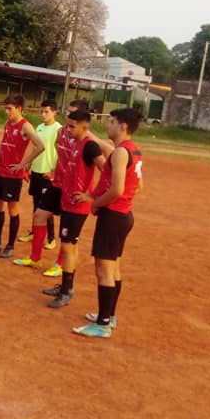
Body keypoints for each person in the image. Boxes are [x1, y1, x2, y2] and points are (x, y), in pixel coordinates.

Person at [73, 108, 144, 338]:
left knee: (103, 269)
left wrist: (95, 203)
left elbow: (117, 190)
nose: (109, 125)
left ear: (123, 126)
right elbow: (138, 187)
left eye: (112, 122)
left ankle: (103, 324)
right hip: (124, 215)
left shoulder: (122, 153)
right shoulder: (133, 151)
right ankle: (109, 316)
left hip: (113, 216)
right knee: (113, 268)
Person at [41, 109, 105, 308]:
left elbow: (107, 171)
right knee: (69, 246)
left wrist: (91, 195)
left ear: (84, 127)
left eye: (71, 126)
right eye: (67, 125)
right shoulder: (77, 143)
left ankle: (67, 291)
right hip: (67, 202)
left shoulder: (90, 146)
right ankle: (65, 286)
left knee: (68, 246)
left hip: (78, 206)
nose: (67, 129)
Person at [0, 95, 43, 258]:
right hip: (1, 172)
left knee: (12, 207)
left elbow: (40, 146)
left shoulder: (25, 126)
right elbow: (5, 145)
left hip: (13, 176)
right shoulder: (8, 124)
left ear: (19, 109)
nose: (7, 112)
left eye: (10, 109)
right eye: (5, 108)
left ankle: (10, 245)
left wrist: (23, 164)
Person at [14, 99, 62, 268]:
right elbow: (35, 149)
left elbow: (59, 153)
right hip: (36, 170)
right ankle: (35, 232)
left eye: (46, 112)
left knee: (46, 207)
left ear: (54, 112)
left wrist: (54, 171)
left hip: (48, 173)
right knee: (37, 206)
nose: (43, 114)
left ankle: (51, 239)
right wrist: (28, 165)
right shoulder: (40, 128)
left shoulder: (59, 130)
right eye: (41, 111)